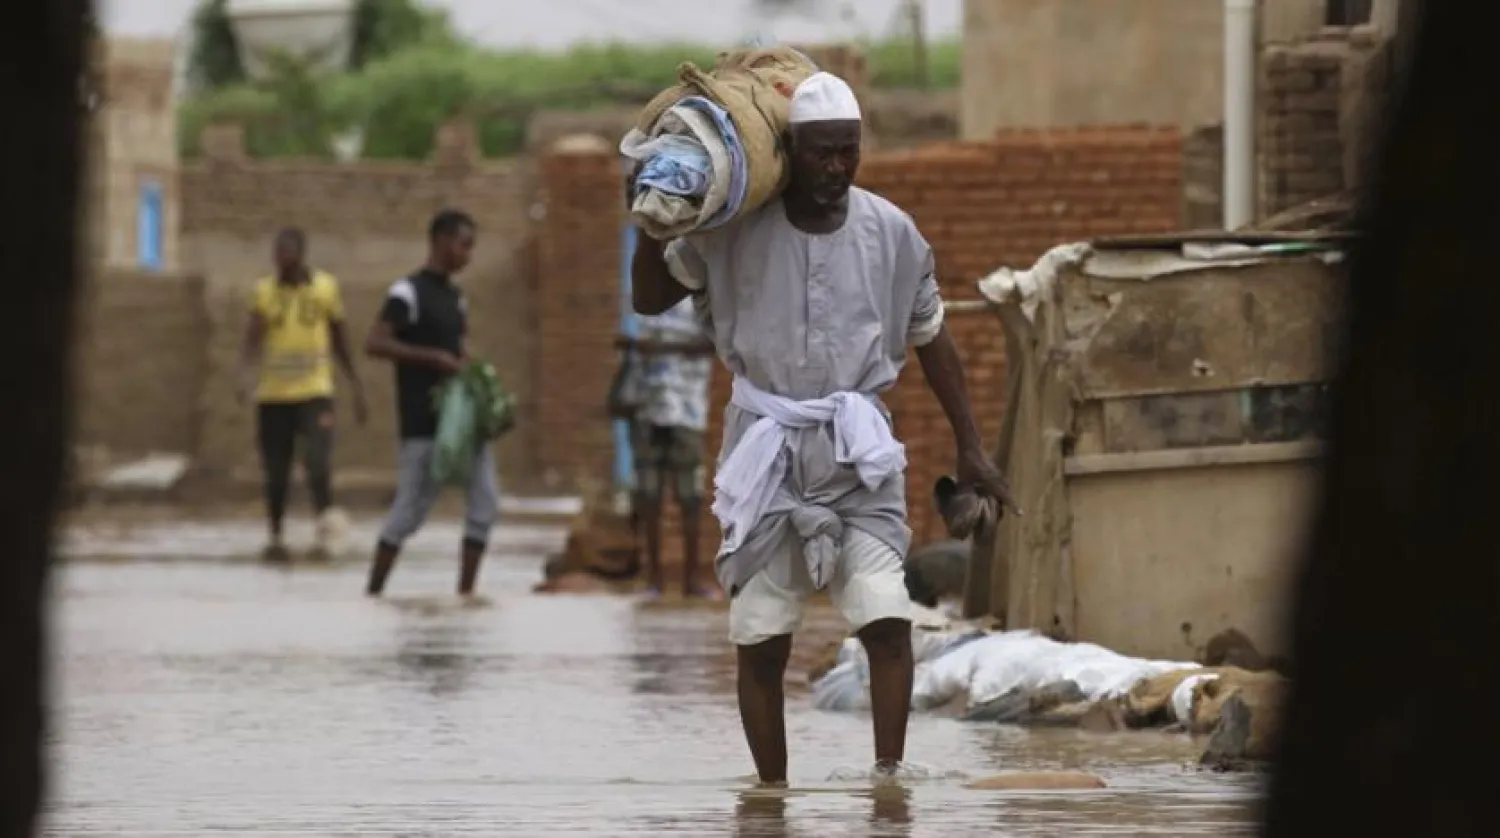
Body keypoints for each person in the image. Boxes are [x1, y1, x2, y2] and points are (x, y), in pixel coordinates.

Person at [629, 72, 1016, 784]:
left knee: (886, 620)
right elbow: (650, 298)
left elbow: (931, 333)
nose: (837, 168)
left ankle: (888, 782)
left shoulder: (891, 232)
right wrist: (652, 220)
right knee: (761, 637)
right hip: (765, 448)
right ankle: (771, 797)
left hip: (858, 449)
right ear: (790, 150)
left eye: (849, 152)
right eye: (821, 154)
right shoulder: (732, 232)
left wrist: (971, 445)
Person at [362, 209, 499, 598]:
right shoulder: (407, 293)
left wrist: (475, 374)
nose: (468, 255)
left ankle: (465, 595)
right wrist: (432, 359)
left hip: (463, 422)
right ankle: (373, 594)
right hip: (424, 422)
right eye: (464, 245)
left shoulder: (456, 298)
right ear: (440, 241)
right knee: (409, 513)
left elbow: (460, 348)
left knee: (485, 504)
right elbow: (376, 342)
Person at [236, 227, 367, 559]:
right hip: (273, 397)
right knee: (276, 472)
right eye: (277, 254)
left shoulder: (325, 288)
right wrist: (243, 373)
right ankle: (276, 535)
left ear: (300, 254)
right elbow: (253, 337)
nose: (281, 260)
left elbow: (340, 339)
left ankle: (324, 527)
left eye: (287, 253)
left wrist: (356, 385)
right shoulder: (264, 292)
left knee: (318, 462)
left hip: (315, 393)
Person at [618, 296, 719, 599]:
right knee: (649, 496)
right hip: (648, 407)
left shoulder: (701, 297)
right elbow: (631, 341)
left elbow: (713, 346)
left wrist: (662, 349)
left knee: (689, 498)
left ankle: (691, 580)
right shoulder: (642, 295)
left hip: (687, 409)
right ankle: (654, 581)